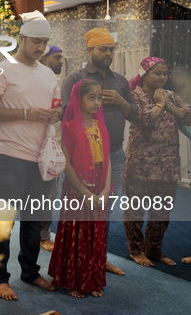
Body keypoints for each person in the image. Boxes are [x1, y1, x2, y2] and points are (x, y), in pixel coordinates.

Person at [0, 10, 61, 301]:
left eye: (44, 42)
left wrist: (55, 113)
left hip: (40, 157)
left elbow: (57, 105)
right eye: (35, 42)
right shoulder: (1, 70)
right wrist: (27, 114)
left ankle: (30, 272)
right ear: (21, 38)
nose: (40, 48)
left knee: (34, 219)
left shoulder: (47, 72)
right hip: (9, 156)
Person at [61, 27, 139, 276]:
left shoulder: (120, 82)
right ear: (90, 50)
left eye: (112, 49)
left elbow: (135, 115)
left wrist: (121, 101)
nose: (109, 53)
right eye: (103, 49)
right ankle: (78, 262)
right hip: (82, 160)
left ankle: (98, 258)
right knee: (80, 213)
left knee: (103, 212)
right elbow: (65, 115)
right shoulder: (75, 78)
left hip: (114, 156)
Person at [123, 57, 191, 267]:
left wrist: (166, 104)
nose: (162, 77)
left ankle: (154, 249)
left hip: (168, 165)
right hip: (141, 164)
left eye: (165, 73)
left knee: (162, 210)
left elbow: (188, 116)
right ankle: (136, 249)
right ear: (144, 74)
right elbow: (144, 118)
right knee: (135, 209)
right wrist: (161, 105)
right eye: (157, 73)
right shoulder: (135, 95)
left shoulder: (170, 95)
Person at [49, 80, 111, 298]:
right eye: (91, 97)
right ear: (78, 99)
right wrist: (85, 192)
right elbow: (66, 164)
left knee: (96, 232)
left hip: (99, 186)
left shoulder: (99, 124)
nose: (97, 102)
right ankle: (72, 280)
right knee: (78, 232)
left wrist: (104, 191)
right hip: (78, 188)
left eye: (99, 97)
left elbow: (107, 160)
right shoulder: (69, 127)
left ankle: (92, 278)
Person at [38, 45, 64, 252]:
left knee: (48, 194)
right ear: (45, 59)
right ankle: (42, 236)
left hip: (52, 147)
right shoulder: (38, 79)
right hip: (31, 146)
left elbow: (59, 107)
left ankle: (43, 235)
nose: (61, 61)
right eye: (57, 57)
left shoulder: (52, 79)